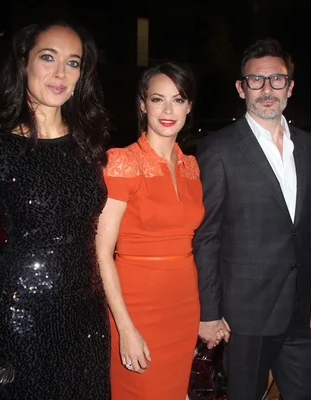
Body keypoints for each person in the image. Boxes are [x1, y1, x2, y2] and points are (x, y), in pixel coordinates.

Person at [0, 21, 110, 400]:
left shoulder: (88, 144)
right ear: (24, 64)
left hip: (85, 317)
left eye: (73, 63)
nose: (60, 73)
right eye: (48, 57)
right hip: (22, 318)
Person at [193, 38, 311, 400]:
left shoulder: (308, 145)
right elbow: (207, 237)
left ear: (290, 86)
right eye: (256, 80)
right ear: (242, 88)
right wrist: (208, 311)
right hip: (246, 313)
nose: (267, 89)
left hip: (303, 308)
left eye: (277, 79)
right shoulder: (218, 149)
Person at [96, 62, 203, 399]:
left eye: (179, 99)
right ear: (143, 105)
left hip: (184, 304)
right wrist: (125, 328)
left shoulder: (191, 165)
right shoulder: (122, 161)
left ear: (189, 106)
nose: (168, 110)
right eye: (158, 99)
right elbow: (101, 252)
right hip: (137, 306)